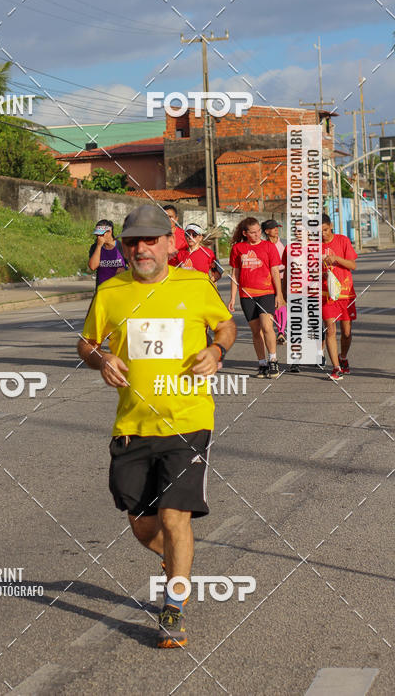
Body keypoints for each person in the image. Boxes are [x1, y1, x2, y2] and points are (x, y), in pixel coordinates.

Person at [77, 203, 236, 649]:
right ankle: (180, 570)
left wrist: (217, 351)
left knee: (174, 515)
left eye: (150, 239)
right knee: (144, 527)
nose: (141, 248)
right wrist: (101, 357)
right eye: (133, 241)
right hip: (132, 424)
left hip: (188, 421)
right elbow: (86, 342)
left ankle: (173, 605)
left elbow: (224, 324)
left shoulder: (194, 283)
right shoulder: (111, 291)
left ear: (169, 243)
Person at [228, 217, 284, 378]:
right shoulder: (238, 248)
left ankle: (273, 359)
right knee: (256, 331)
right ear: (245, 233)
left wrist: (279, 294)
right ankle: (262, 363)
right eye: (253, 232)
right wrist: (232, 298)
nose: (257, 234)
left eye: (259, 231)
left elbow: (275, 271)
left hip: (266, 292)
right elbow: (235, 273)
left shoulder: (268, 246)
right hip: (246, 295)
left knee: (267, 327)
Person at [321, 213, 357, 381]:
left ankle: (343, 357)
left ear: (331, 226)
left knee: (347, 333)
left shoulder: (343, 241)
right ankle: (336, 367)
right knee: (331, 329)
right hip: (326, 295)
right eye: (319, 231)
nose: (323, 234)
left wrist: (336, 259)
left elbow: (353, 265)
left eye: (325, 230)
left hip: (346, 293)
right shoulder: (313, 246)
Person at [262, 220, 286, 345]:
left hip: (285, 277)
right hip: (270, 278)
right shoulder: (264, 245)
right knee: (275, 305)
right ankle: (280, 330)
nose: (276, 230)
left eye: (277, 227)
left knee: (281, 303)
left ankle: (281, 332)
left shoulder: (285, 243)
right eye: (273, 228)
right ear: (267, 231)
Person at [88, 219, 126, 288]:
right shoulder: (95, 247)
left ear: (110, 232)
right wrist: (99, 246)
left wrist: (125, 270)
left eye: (101, 234)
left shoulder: (122, 247)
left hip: (120, 288)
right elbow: (93, 267)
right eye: (97, 235)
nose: (99, 237)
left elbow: (133, 268)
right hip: (102, 288)